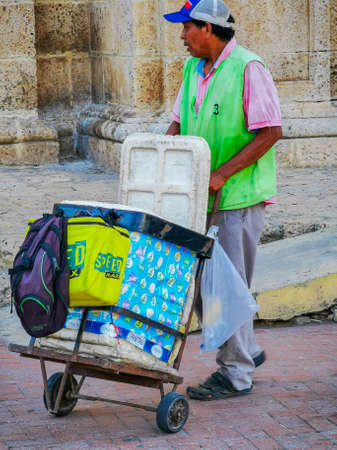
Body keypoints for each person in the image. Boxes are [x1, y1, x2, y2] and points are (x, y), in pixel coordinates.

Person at [163, 0, 282, 400]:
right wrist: (159, 158)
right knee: (202, 286)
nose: (181, 36)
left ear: (209, 29)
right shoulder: (192, 69)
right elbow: (179, 122)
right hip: (202, 197)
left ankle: (235, 374)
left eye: (186, 28)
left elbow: (270, 132)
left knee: (226, 289)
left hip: (237, 199)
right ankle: (244, 350)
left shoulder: (249, 68)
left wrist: (222, 174)